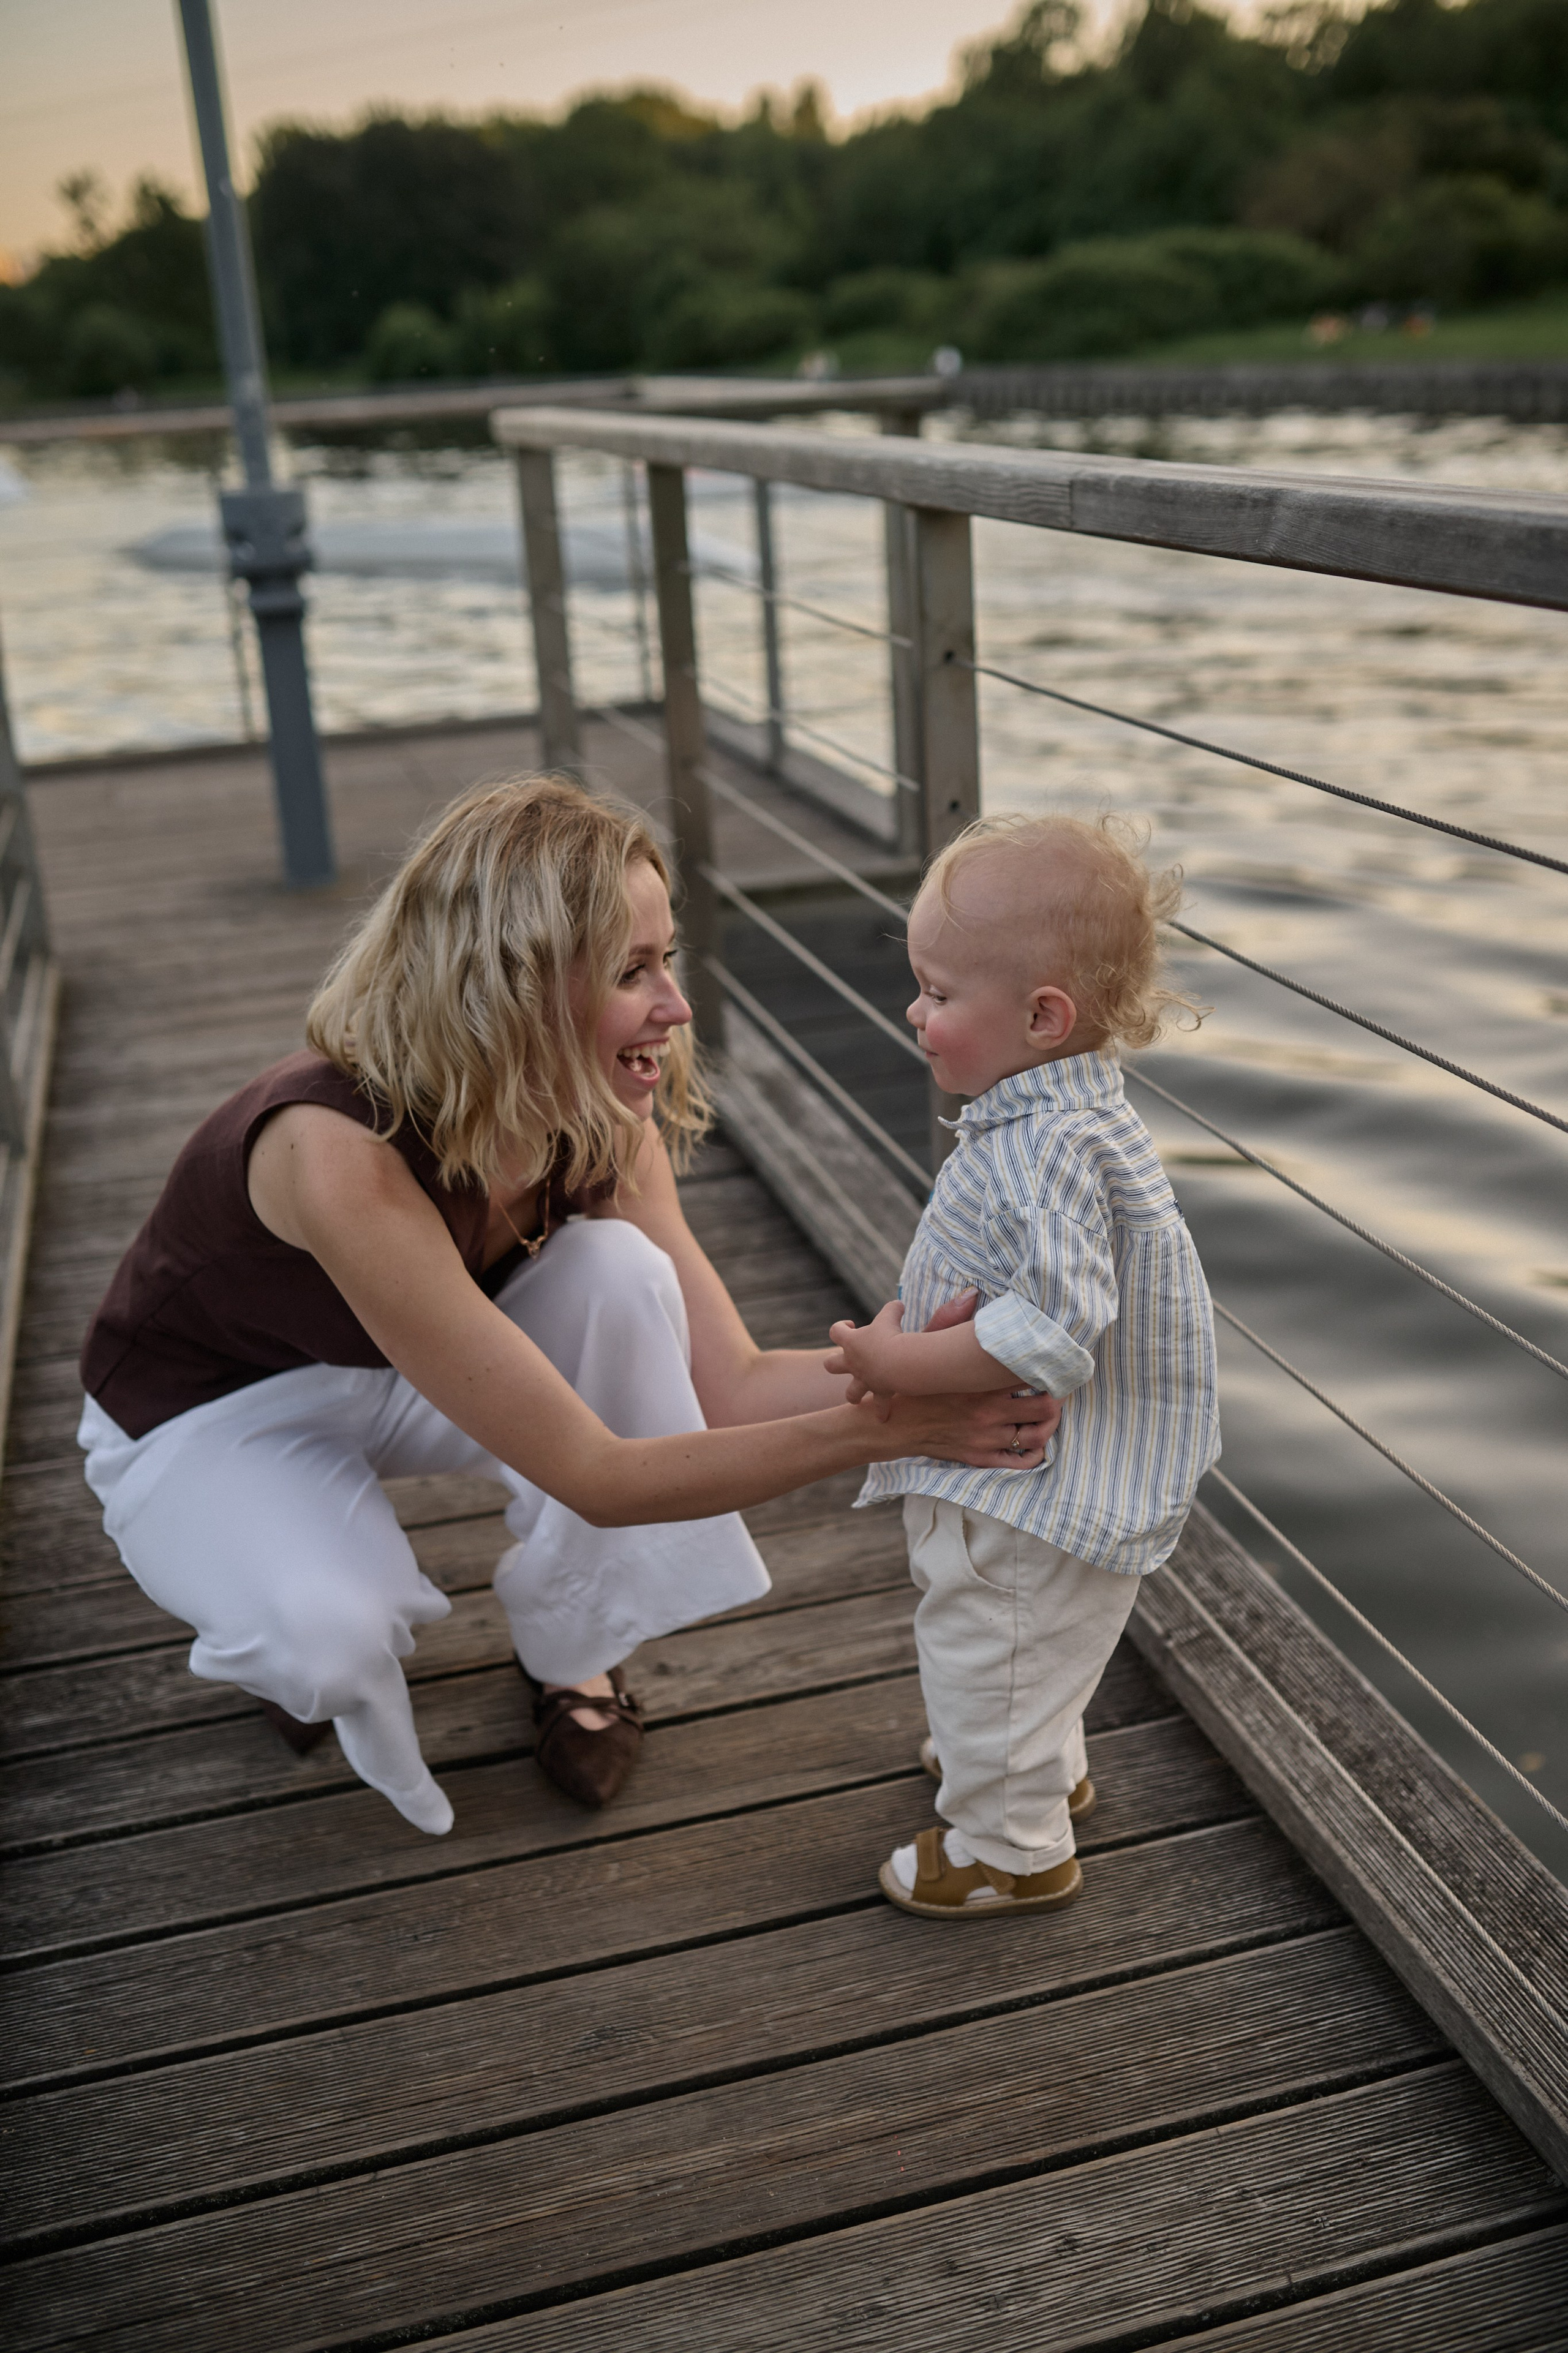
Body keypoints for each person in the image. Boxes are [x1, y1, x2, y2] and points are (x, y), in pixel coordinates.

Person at [77, 778, 1060, 1837]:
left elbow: (721, 1383)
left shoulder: (595, 1115)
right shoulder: (333, 1153)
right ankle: (273, 1605)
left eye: (667, 957)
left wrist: (930, 1359)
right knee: (324, 1639)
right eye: (633, 971)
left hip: (416, 1370)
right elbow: (598, 1474)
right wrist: (895, 1426)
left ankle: (572, 1651)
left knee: (619, 1273)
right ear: (509, 987)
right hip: (216, 1403)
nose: (677, 1007)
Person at [825, 810, 1220, 1919]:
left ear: (1044, 1017)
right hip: (1067, 1469)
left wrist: (897, 1355)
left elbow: (1053, 1329)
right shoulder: (1074, 1114)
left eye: (941, 994)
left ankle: (1009, 1844)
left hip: (1026, 1482)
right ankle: (1034, 1763)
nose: (916, 1011)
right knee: (1030, 1644)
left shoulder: (1039, 1149)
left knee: (986, 1631)